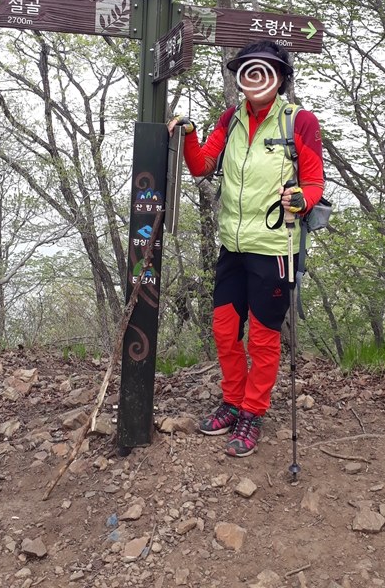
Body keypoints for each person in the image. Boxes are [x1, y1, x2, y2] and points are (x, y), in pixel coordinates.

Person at [168, 39, 324, 458]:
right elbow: (202, 165)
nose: (254, 76)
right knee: (224, 329)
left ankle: (253, 412)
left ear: (281, 77)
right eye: (247, 69)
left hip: (275, 246)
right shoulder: (231, 119)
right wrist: (189, 135)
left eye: (265, 68)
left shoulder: (299, 122)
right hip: (232, 246)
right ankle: (233, 401)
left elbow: (313, 183)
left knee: (263, 337)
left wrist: (301, 200)